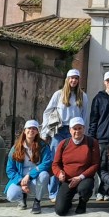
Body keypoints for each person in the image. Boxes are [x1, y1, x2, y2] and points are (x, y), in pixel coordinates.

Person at [43, 70, 89, 200]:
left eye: (76, 78)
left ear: (78, 80)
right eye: (71, 78)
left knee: (71, 161)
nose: (73, 81)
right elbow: (47, 112)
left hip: (75, 132)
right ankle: (53, 192)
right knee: (55, 161)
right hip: (60, 130)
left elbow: (85, 115)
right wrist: (45, 130)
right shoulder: (58, 94)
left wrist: (84, 132)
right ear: (67, 79)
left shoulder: (83, 96)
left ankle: (68, 190)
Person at [51, 117, 100, 216]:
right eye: (74, 128)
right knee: (60, 211)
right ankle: (68, 201)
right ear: (70, 130)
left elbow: (95, 164)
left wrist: (80, 177)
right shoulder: (63, 144)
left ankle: (82, 203)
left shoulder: (92, 142)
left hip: (84, 178)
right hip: (67, 179)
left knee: (85, 188)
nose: (77, 131)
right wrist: (59, 173)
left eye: (79, 128)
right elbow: (55, 164)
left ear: (84, 129)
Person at [4, 119, 51, 214]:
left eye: (34, 128)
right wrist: (21, 181)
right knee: (11, 196)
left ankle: (37, 201)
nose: (31, 130)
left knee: (45, 175)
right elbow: (10, 169)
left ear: (37, 132)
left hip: (35, 178)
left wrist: (29, 176)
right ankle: (22, 197)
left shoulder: (43, 146)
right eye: (29, 128)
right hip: (20, 178)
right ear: (25, 131)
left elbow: (46, 163)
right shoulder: (16, 148)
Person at [87, 70, 109, 201]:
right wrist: (91, 136)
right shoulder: (98, 98)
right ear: (104, 82)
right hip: (102, 136)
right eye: (107, 80)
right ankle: (100, 190)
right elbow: (93, 119)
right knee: (100, 164)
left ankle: (107, 190)